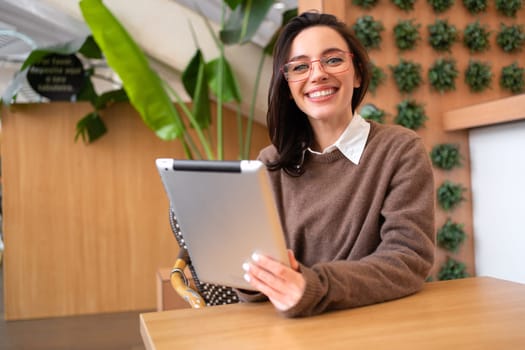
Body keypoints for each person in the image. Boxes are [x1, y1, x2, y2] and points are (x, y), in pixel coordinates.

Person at [238, 11, 435, 318]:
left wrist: (313, 286)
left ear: (357, 74)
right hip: (289, 331)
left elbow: (408, 259)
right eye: (300, 66)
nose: (317, 75)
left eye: (332, 60)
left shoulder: (400, 151)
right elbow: (259, 268)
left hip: (376, 325)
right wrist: (257, 277)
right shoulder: (271, 162)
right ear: (288, 86)